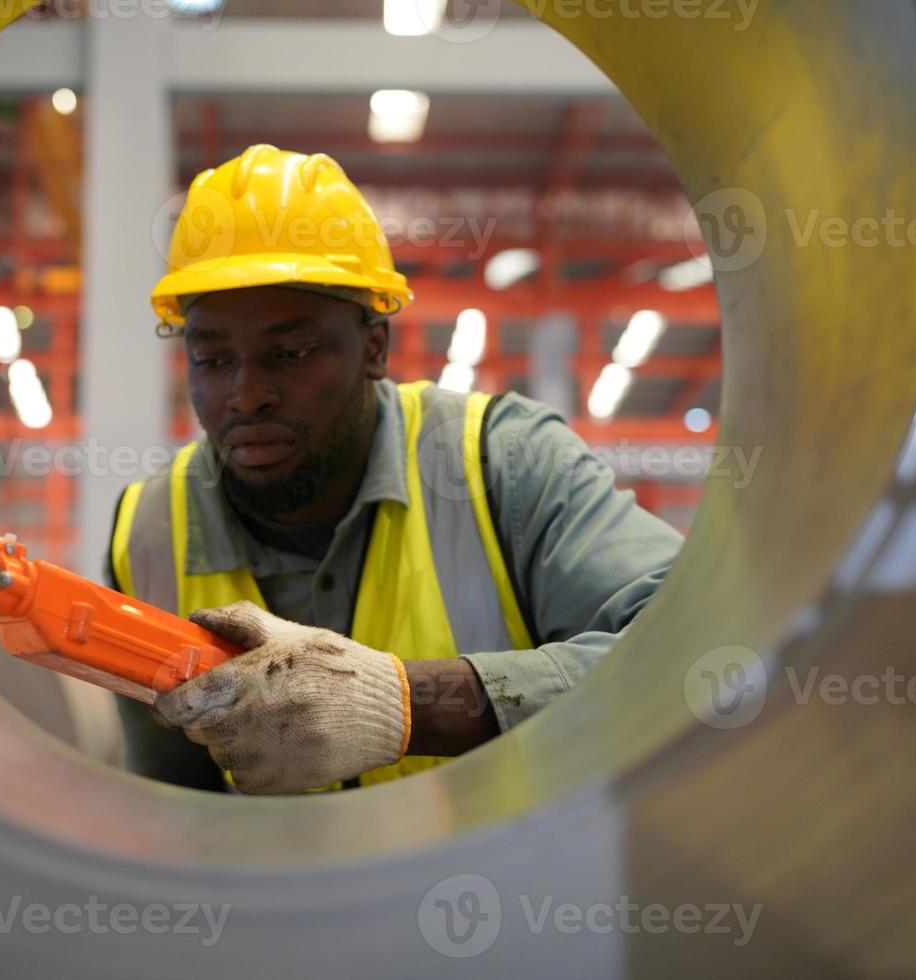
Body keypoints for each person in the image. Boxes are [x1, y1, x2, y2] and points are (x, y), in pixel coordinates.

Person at [105, 144, 683, 795]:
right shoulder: (148, 535)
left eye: (289, 352)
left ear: (374, 346)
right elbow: (176, 813)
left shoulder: (503, 464)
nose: (246, 394)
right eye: (212, 361)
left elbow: (689, 646)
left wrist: (404, 704)